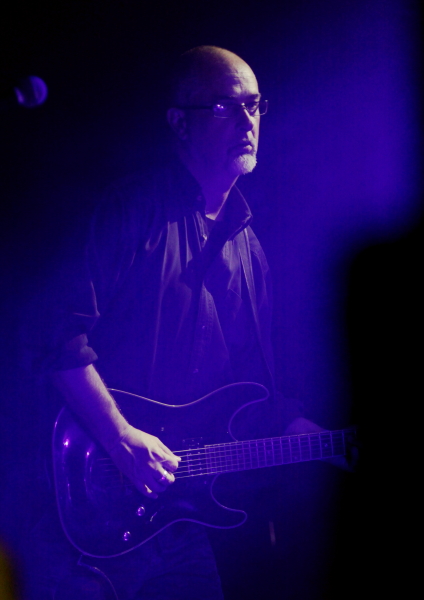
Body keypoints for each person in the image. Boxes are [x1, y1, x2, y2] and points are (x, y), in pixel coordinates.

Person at [22, 45, 317, 599]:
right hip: (82, 508)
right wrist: (120, 437)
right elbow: (54, 334)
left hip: (179, 520)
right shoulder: (130, 209)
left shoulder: (250, 250)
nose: (247, 121)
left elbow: (255, 393)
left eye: (255, 106)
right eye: (225, 107)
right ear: (179, 123)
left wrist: (327, 442)